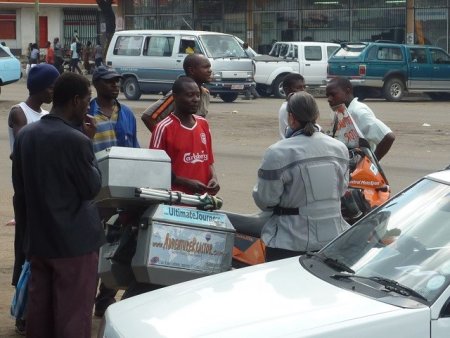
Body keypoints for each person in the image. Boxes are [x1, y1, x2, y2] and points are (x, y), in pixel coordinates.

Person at [12, 72, 105, 338]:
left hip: (40, 242)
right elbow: (91, 188)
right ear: (76, 101)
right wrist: (90, 141)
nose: (89, 107)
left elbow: (20, 191)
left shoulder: (27, 136)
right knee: (73, 317)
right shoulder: (77, 140)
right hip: (75, 245)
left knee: (40, 318)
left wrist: (26, 241)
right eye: (87, 101)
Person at [253, 91, 349, 262]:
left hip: (289, 242)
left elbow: (266, 201)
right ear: (317, 115)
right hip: (332, 239)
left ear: (291, 118)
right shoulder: (339, 148)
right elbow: (341, 190)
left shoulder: (277, 152)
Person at [8, 63, 60, 335]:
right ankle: (22, 310)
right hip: (27, 195)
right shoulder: (20, 113)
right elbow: (23, 150)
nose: (54, 92)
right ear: (41, 87)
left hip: (46, 194)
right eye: (52, 87)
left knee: (40, 251)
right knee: (24, 251)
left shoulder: (47, 115)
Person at [89, 65, 139, 316]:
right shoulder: (87, 112)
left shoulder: (127, 113)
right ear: (96, 84)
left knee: (116, 247)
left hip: (121, 191)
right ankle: (86, 297)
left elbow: (135, 150)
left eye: (117, 81)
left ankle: (105, 298)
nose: (115, 85)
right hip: (93, 190)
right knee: (91, 247)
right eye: (109, 81)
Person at [150, 76, 220, 195]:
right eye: (190, 95)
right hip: (177, 202)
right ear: (175, 97)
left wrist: (214, 178)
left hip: (202, 200)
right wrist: (185, 182)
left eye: (198, 95)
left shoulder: (203, 124)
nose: (196, 99)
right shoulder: (163, 128)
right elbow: (156, 167)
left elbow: (208, 161)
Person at [326, 77, 395, 160]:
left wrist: (371, 164)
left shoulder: (358, 112)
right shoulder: (343, 113)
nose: (329, 99)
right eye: (327, 96)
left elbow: (388, 137)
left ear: (347, 91)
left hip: (360, 171)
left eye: (333, 94)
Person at [141, 53, 212, 132]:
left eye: (209, 67)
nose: (210, 70)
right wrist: (165, 138)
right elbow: (148, 117)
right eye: (205, 67)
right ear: (192, 70)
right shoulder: (179, 94)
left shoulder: (205, 94)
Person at [278, 73, 306, 139]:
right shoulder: (287, 108)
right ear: (286, 89)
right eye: (298, 88)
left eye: (304, 87)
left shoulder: (298, 105)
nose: (303, 90)